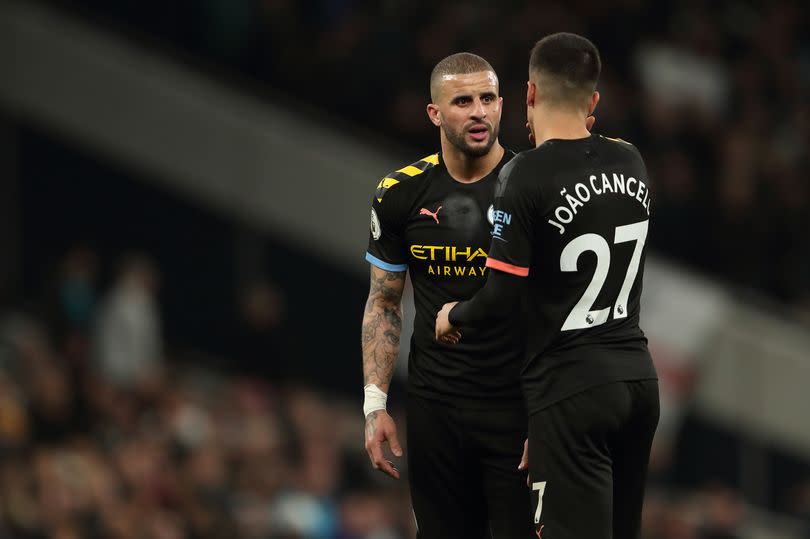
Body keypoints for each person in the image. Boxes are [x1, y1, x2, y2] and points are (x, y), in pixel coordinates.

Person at [436, 33, 659, 539]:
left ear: (529, 94)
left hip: (573, 388)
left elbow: (500, 297)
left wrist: (452, 315)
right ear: (594, 102)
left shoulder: (524, 175)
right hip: (638, 383)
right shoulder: (632, 160)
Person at [360, 53, 533, 538]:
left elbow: (558, 311)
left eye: (488, 99)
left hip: (517, 412)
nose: (479, 112)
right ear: (435, 113)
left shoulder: (533, 188)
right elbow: (384, 302)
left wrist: (549, 417)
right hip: (436, 410)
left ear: (503, 105)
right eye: (462, 101)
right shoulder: (399, 193)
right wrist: (375, 405)